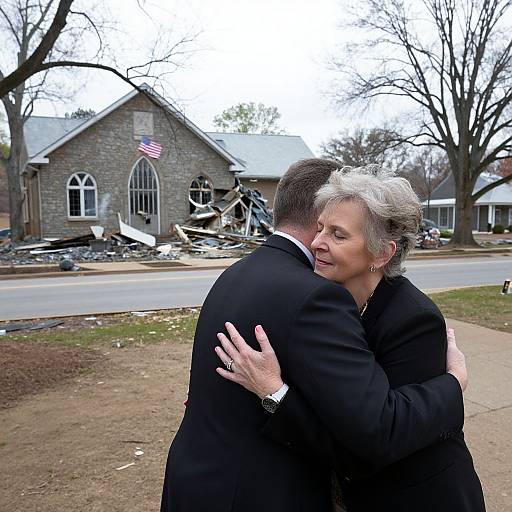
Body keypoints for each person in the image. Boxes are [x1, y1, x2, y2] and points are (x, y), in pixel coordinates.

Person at [160, 159, 467, 512]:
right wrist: (274, 393)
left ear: (382, 253)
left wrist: (454, 382)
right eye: (320, 227)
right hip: (244, 489)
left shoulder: (411, 317)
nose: (318, 241)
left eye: (337, 234)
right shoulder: (321, 297)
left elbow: (379, 436)